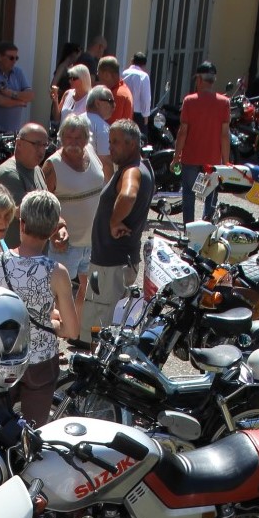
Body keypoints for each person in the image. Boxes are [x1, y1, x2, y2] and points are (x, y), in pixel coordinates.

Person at [0, 191, 78, 425]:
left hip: (3, 358)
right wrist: (54, 322)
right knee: (34, 429)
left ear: (22, 223)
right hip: (39, 363)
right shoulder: (56, 272)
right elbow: (72, 330)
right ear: (51, 232)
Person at [81, 120, 154, 334]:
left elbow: (129, 194)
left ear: (132, 144)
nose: (110, 147)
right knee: (106, 320)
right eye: (109, 141)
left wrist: (114, 222)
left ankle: (95, 363)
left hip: (111, 265)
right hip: (112, 261)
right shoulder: (138, 167)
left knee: (101, 325)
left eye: (115, 142)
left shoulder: (131, 171)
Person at [43, 113, 106, 313]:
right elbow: (43, 204)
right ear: (61, 137)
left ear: (87, 138)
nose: (73, 142)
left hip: (93, 240)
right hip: (65, 244)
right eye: (68, 137)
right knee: (57, 293)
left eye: (78, 137)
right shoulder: (53, 165)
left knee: (89, 290)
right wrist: (54, 232)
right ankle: (52, 332)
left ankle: (77, 330)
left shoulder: (91, 151)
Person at [172, 61, 230, 223]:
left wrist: (176, 157)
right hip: (211, 161)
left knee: (189, 195)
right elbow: (224, 135)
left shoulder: (189, 101)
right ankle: (207, 229)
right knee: (210, 196)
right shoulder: (224, 103)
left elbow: (183, 132)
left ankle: (189, 230)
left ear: (199, 79)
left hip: (191, 158)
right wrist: (225, 162)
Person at [0, 125, 52, 248]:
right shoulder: (8, 174)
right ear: (19, 144)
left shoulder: (37, 169)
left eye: (44, 145)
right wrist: (59, 223)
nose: (41, 150)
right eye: (36, 144)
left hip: (35, 252)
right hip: (17, 256)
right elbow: (26, 213)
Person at [0, 42, 34, 135]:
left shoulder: (18, 72)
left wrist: (10, 93)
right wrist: (20, 102)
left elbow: (30, 95)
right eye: (11, 58)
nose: (14, 61)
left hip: (13, 132)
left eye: (16, 58)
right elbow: (0, 101)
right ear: (0, 57)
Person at [86, 86, 117, 179]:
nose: (114, 106)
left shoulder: (74, 120)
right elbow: (106, 162)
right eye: (110, 101)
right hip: (94, 186)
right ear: (98, 103)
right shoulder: (103, 128)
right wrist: (112, 188)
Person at [97, 57, 135, 123]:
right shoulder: (122, 89)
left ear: (107, 75)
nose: (98, 82)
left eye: (99, 77)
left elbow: (110, 126)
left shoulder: (117, 95)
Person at [123, 52, 152, 130]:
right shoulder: (144, 76)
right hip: (137, 115)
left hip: (124, 111)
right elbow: (145, 99)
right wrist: (146, 116)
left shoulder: (124, 73)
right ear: (144, 65)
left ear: (132, 61)